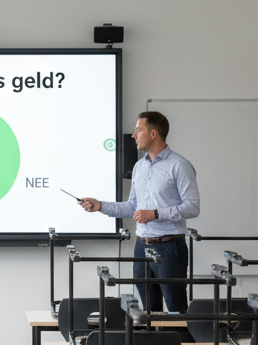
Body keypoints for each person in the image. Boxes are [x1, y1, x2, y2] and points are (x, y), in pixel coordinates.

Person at [78, 111, 200, 313]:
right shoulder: (139, 167)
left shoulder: (179, 165)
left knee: (176, 311)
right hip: (141, 247)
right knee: (148, 312)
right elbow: (133, 207)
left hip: (169, 248)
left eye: (138, 130)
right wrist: (100, 206)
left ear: (153, 133)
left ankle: (181, 344)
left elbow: (193, 207)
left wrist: (156, 214)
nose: (134, 135)